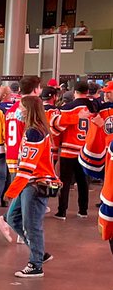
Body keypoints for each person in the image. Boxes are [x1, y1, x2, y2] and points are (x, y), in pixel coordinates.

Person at [5, 96, 56, 278]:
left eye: (21, 106)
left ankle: (36, 264)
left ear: (28, 110)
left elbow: (27, 166)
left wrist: (11, 191)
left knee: (31, 224)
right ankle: (39, 252)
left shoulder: (34, 133)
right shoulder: (36, 130)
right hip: (30, 182)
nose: (18, 110)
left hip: (34, 184)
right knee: (12, 218)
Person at [52, 79, 92, 220]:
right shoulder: (94, 108)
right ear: (87, 92)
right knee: (83, 182)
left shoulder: (67, 108)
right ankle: (83, 210)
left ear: (75, 92)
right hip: (87, 151)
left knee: (65, 181)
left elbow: (56, 128)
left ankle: (62, 211)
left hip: (69, 150)